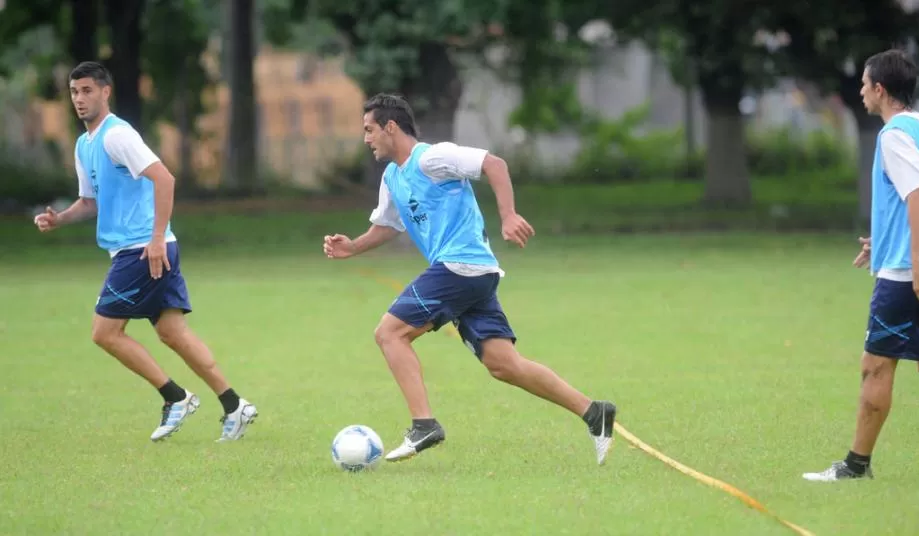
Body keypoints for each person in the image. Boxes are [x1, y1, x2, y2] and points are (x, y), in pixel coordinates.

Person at [323, 93, 617, 464]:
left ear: (391, 127)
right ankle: (594, 412)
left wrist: (508, 215)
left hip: (459, 267)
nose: (366, 139)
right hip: (473, 275)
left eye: (369, 130)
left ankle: (424, 424)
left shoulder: (431, 158)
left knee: (389, 333)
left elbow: (493, 164)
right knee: (503, 364)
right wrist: (353, 247)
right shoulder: (393, 177)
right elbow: (387, 225)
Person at [33, 61, 258, 443]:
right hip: (145, 247)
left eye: (88, 90)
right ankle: (235, 406)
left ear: (106, 92)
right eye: (74, 92)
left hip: (141, 249)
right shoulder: (85, 144)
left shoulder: (116, 136)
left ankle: (176, 398)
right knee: (173, 332)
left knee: (104, 332)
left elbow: (164, 178)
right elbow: (90, 202)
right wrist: (61, 219)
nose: (80, 99)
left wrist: (156, 238)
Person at [802, 49, 919, 482]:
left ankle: (855, 467)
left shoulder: (893, 135)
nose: (859, 90)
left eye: (863, 83)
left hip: (910, 275)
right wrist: (886, 241)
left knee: (875, 365)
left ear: (880, 89)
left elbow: (918, 196)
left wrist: (914, 265)